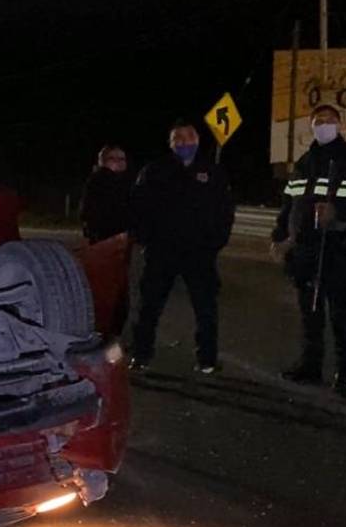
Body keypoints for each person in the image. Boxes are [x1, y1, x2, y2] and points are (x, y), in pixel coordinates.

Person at [270, 104, 346, 394]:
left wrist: (338, 213)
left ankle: (344, 372)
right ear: (310, 126)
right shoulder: (304, 161)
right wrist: (279, 236)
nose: (323, 125)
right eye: (317, 121)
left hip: (337, 248)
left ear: (341, 124)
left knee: (339, 313)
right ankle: (310, 365)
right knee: (309, 313)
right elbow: (289, 205)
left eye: (329, 120)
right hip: (304, 251)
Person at [129, 120, 235, 373]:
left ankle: (207, 359)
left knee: (206, 309)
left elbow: (225, 211)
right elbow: (137, 207)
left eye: (188, 137)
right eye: (178, 138)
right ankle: (141, 355)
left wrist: (215, 243)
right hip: (161, 252)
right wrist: (145, 238)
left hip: (200, 254)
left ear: (198, 140)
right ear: (170, 143)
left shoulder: (213, 172)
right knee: (148, 307)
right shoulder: (154, 171)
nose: (184, 142)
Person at [81, 145, 134, 243]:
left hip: (120, 234)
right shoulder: (99, 181)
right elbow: (89, 209)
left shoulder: (125, 181)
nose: (119, 162)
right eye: (112, 159)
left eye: (122, 159)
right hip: (105, 234)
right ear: (102, 161)